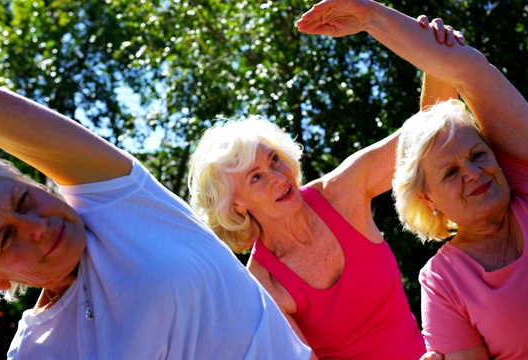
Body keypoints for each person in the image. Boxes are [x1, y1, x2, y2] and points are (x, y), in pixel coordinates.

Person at [297, 0, 528, 359]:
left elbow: (469, 71)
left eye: (478, 154)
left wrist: (372, 16)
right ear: (428, 199)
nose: (473, 173)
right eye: (451, 173)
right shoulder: (443, 282)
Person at [0, 68, 313, 359]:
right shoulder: (35, 353)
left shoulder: (116, 200)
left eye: (24, 200)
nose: (35, 226)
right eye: (5, 238)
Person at [187, 16, 462, 360]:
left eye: (274, 160)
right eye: (255, 177)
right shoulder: (263, 284)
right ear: (235, 204)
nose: (277, 176)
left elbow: (426, 135)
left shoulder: (340, 192)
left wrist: (436, 56)